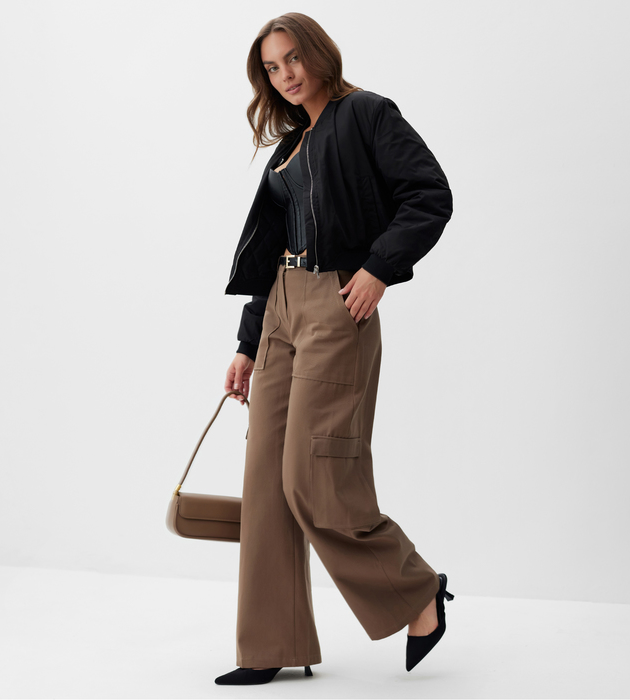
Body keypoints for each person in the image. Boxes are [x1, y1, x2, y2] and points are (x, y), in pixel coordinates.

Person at [216, 12, 455, 686]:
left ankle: (416, 590)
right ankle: (270, 644)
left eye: (293, 58)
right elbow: (272, 248)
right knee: (266, 482)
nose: (285, 75)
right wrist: (247, 343)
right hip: (281, 309)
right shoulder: (290, 145)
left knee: (312, 475)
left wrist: (379, 267)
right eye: (271, 68)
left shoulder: (367, 115)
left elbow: (429, 195)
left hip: (336, 305)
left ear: (319, 53)